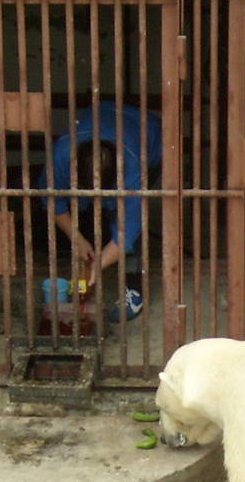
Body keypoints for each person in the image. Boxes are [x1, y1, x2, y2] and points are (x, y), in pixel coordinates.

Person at [49, 102, 161, 323]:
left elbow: (129, 228)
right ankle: (93, 251)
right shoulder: (62, 154)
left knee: (132, 219)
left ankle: (133, 290)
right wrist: (77, 239)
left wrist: (97, 265)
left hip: (149, 134)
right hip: (102, 113)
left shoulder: (133, 169)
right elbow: (53, 200)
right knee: (91, 211)